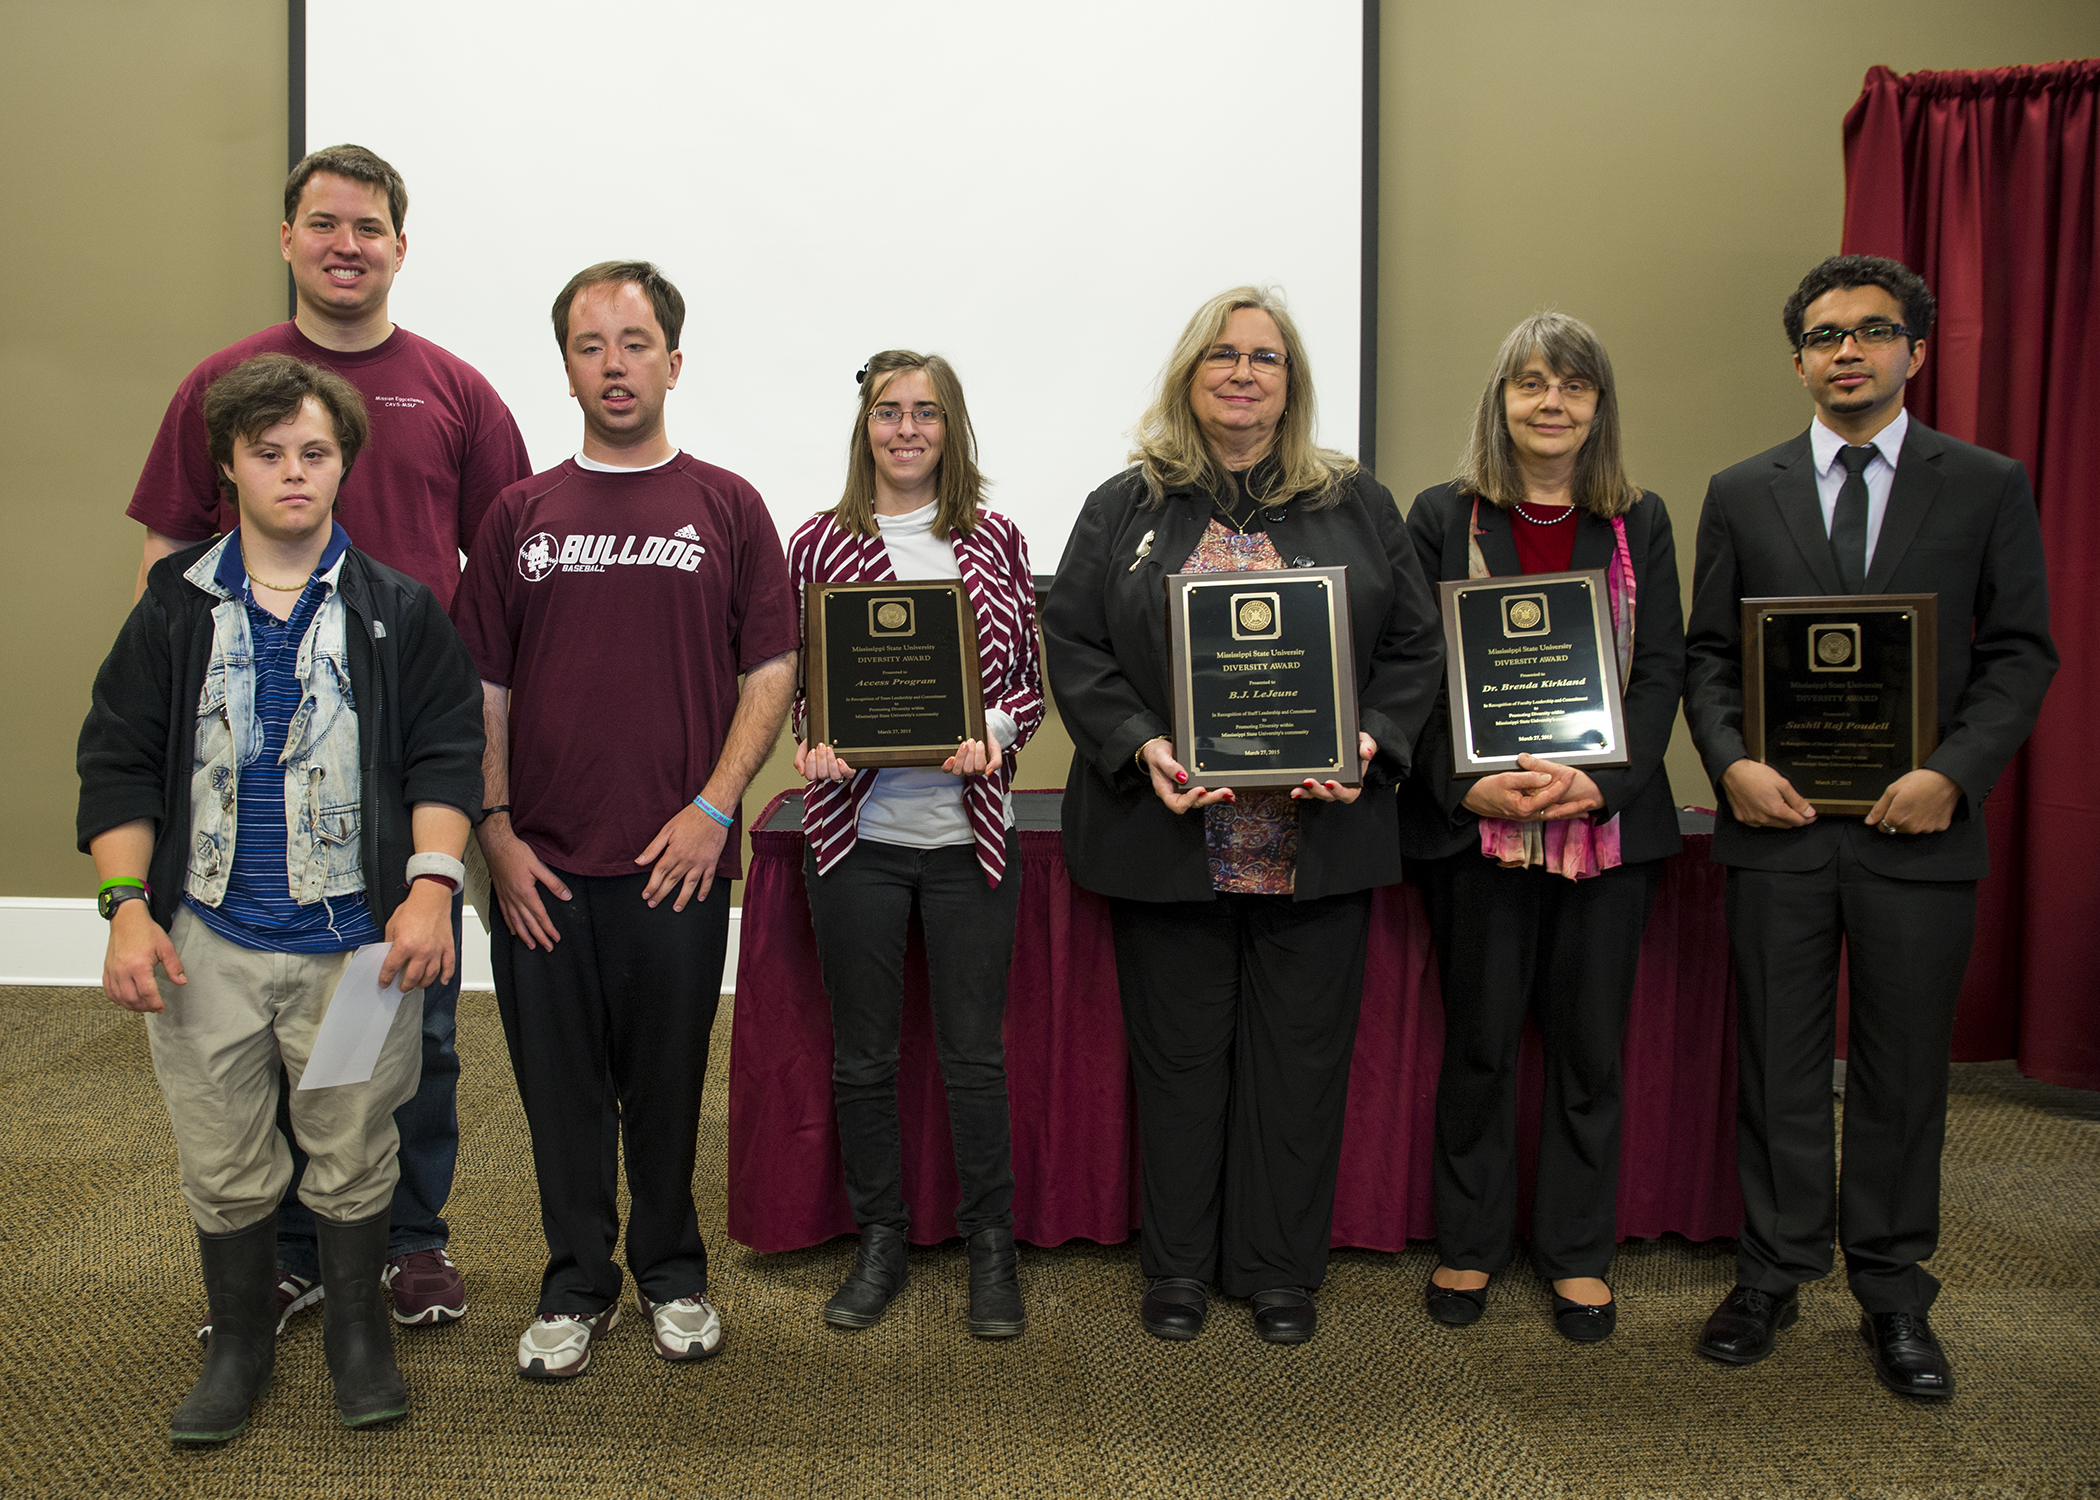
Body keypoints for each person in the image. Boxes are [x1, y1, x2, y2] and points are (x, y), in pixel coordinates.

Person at [125, 144, 532, 1334]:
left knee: (406, 1013)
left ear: (402, 247)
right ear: (289, 239)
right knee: (258, 1040)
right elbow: (165, 556)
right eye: (323, 223)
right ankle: (295, 1252)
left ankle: (407, 1239)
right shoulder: (224, 381)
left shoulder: (453, 391)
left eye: (369, 226)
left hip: (407, 762)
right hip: (250, 763)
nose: (346, 243)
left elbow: (501, 569)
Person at [77, 354, 484, 1441]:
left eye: (314, 453)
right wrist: (125, 905)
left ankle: (359, 1334)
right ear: (230, 467)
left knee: (352, 1144)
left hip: (355, 951)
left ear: (345, 464)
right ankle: (243, 1341)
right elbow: (118, 761)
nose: (294, 473)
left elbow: (448, 757)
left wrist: (432, 890)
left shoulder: (399, 611)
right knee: (221, 1150)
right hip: (203, 942)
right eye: (270, 455)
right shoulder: (173, 611)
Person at [1043, 286, 1443, 1345]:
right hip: (1174, 832)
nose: (1241, 373)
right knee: (1179, 1066)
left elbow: (1414, 649)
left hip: (1319, 833)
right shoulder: (1121, 506)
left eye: (1265, 358)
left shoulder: (1357, 503)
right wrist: (1139, 743)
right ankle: (1175, 1271)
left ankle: (1277, 1271)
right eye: (1221, 354)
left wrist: (1373, 744)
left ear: (1292, 384)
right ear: (1188, 375)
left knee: (1299, 1066)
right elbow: (1074, 643)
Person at [1685, 255, 2056, 1397]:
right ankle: (1772, 1272)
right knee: (1780, 1064)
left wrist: (1954, 773)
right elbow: (1704, 657)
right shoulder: (1743, 490)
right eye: (1825, 334)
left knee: (1901, 1075)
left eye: (1873, 331)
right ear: (1797, 357)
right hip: (1779, 830)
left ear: (1916, 352)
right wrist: (1733, 762)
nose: (1848, 350)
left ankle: (1893, 1293)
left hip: (1921, 834)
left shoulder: (1986, 483)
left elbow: (2019, 654)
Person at [450, 261, 799, 1379]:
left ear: (674, 363)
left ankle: (673, 1272)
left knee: (665, 1081)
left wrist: (713, 809)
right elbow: (484, 690)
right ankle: (575, 1283)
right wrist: (494, 835)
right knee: (556, 1092)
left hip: (678, 863)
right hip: (538, 866)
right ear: (565, 368)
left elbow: (772, 672)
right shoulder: (520, 514)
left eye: (636, 342)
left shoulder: (729, 506)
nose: (615, 363)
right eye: (592, 345)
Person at [1400, 313, 1685, 1342]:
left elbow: (1661, 671)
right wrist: (1455, 782)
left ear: (1598, 406)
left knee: (1590, 1050)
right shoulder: (1442, 514)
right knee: (1478, 1046)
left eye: (1572, 385)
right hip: (1474, 830)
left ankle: (1575, 1253)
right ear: (1501, 400)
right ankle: (1471, 1245)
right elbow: (1411, 669)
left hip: (1603, 830)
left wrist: (1600, 782)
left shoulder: (1637, 519)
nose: (1550, 402)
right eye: (1529, 383)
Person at [788, 350, 1044, 1339]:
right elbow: (804, 680)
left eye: (925, 414)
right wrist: (818, 742)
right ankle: (881, 1239)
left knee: (975, 1055)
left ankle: (991, 1250)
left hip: (971, 838)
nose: (905, 430)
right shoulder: (818, 543)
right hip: (860, 838)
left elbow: (1026, 682)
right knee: (862, 1058)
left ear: (952, 428)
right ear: (866, 428)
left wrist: (999, 738)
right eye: (888, 413)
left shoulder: (994, 539)